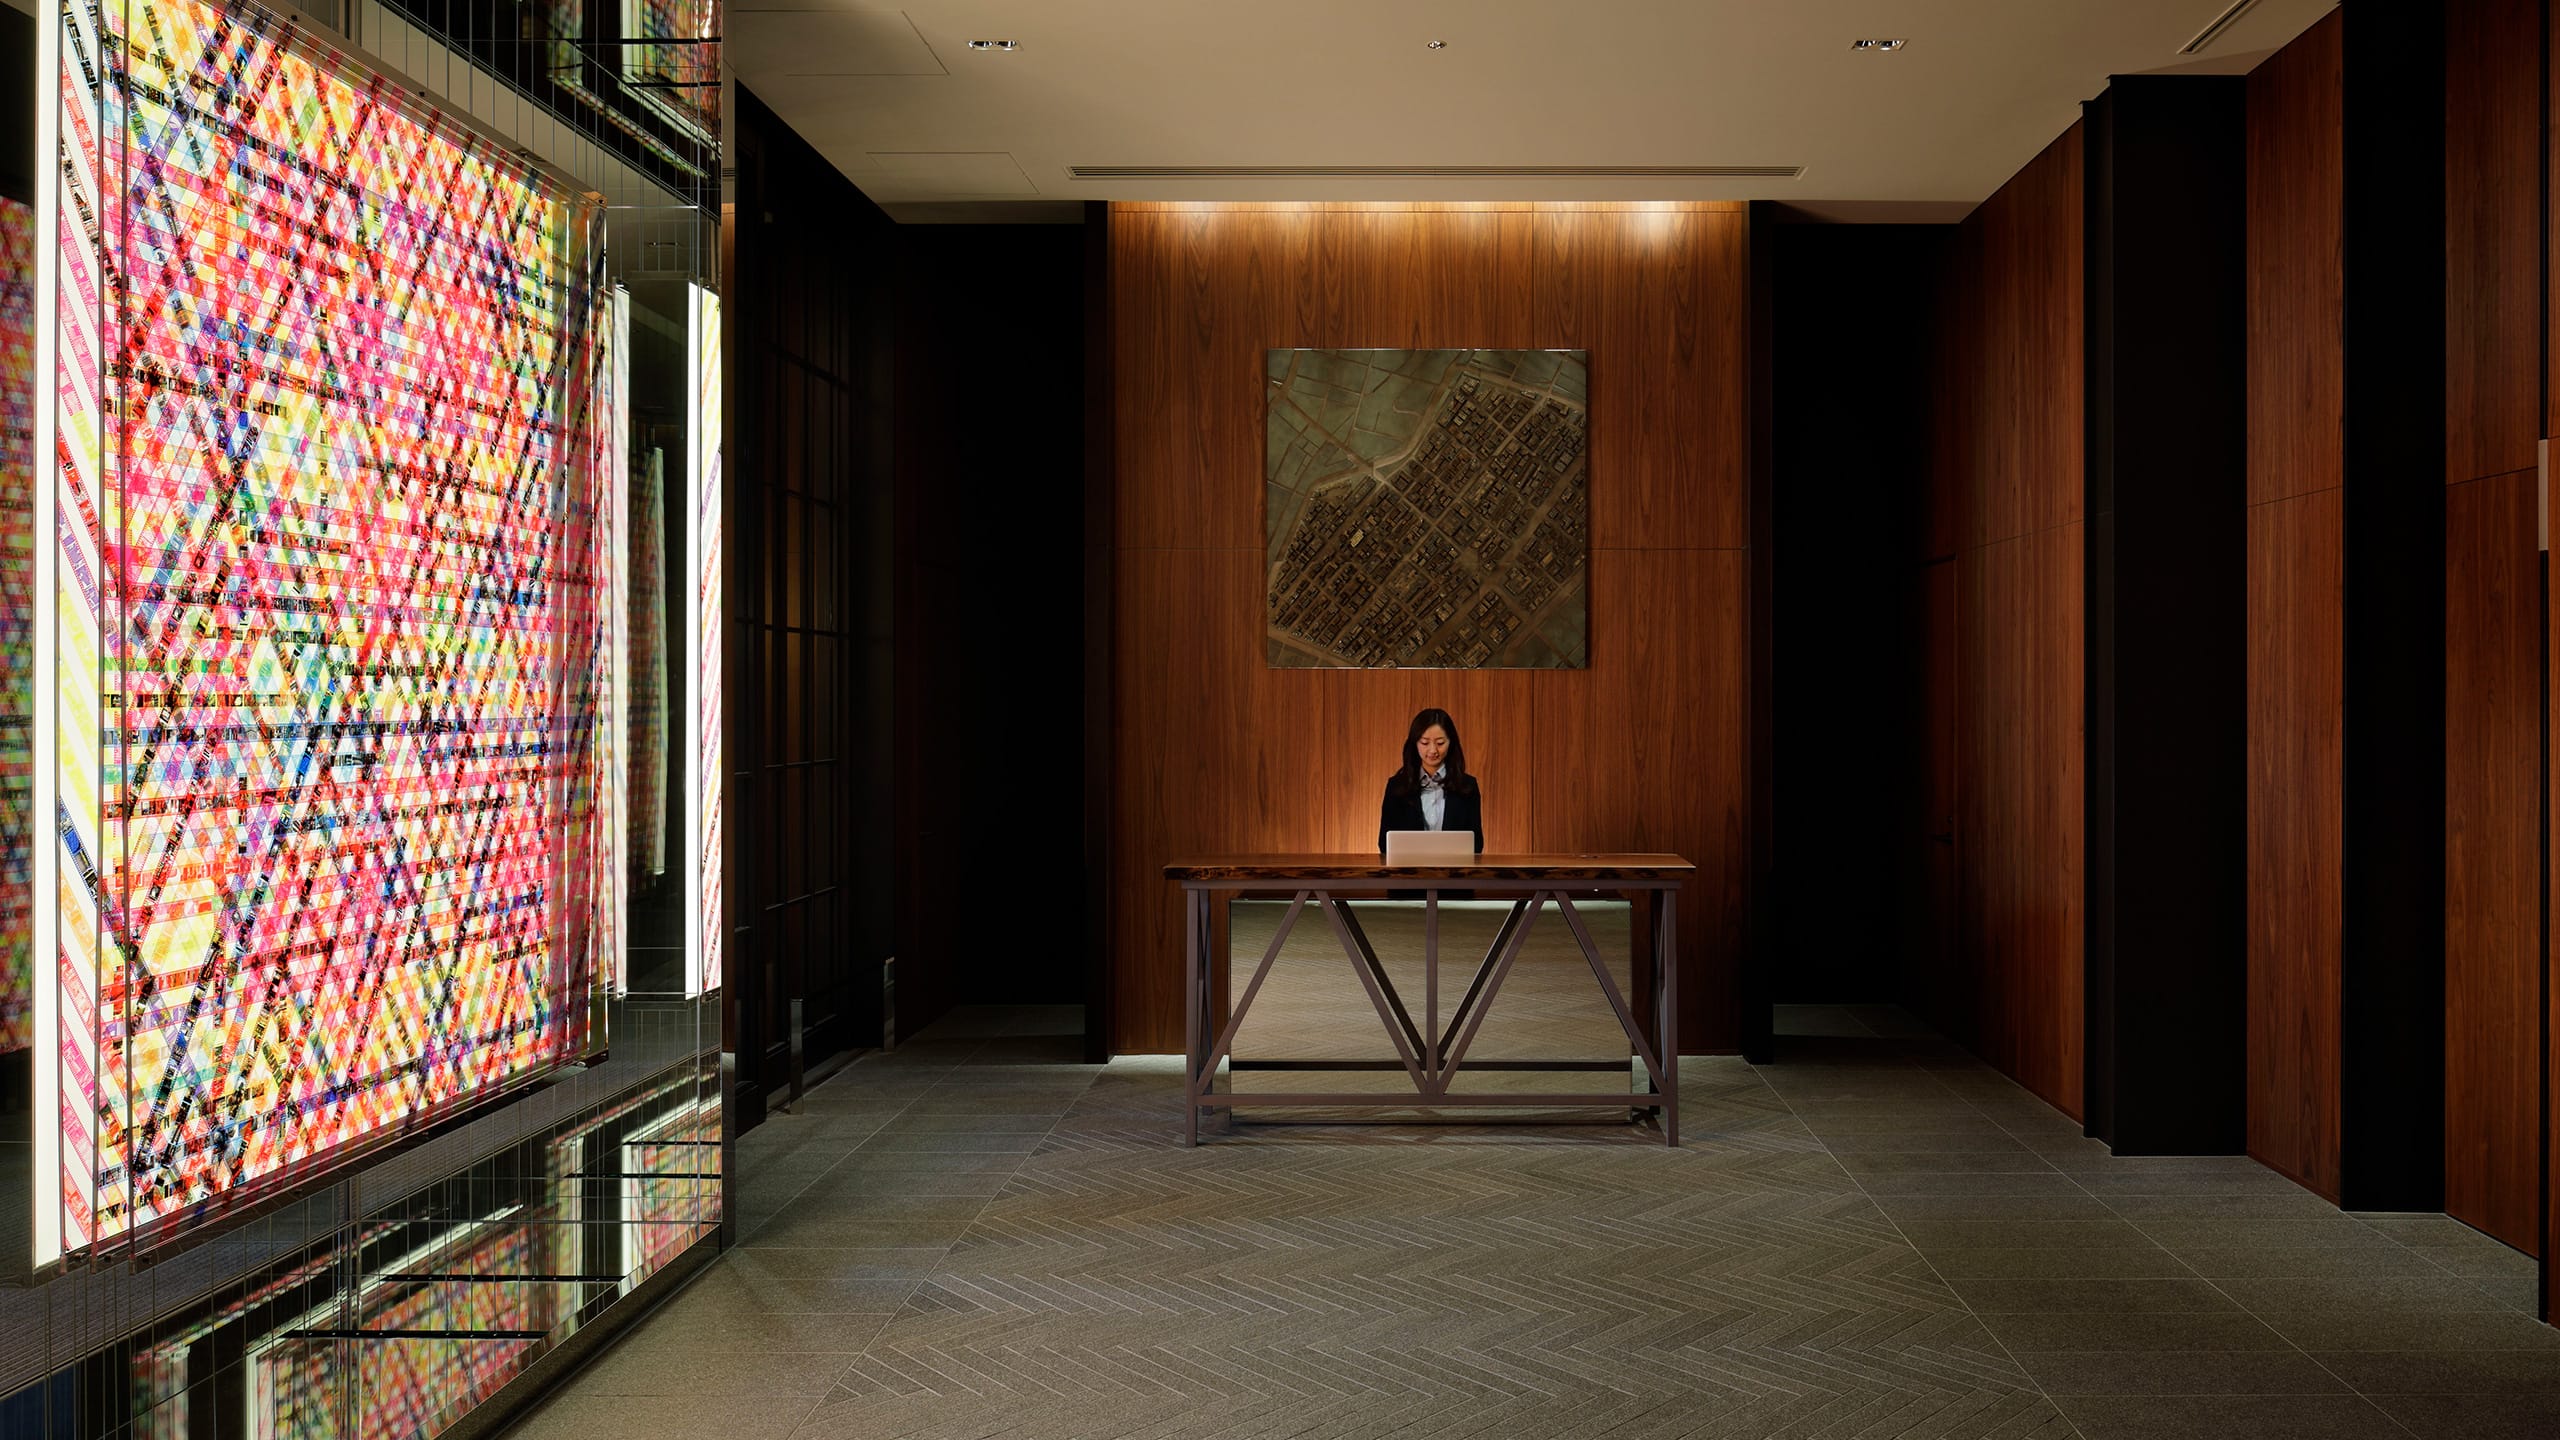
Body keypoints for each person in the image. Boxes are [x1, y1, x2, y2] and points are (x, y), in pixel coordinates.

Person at [1376, 707, 1485, 853]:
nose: (1433, 750)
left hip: (1455, 872)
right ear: (1415, 743)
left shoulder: (1467, 786)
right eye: (1425, 743)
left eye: (1440, 743)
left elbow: (1476, 844)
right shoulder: (1396, 786)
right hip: (1408, 872)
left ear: (1450, 743)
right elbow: (1385, 844)